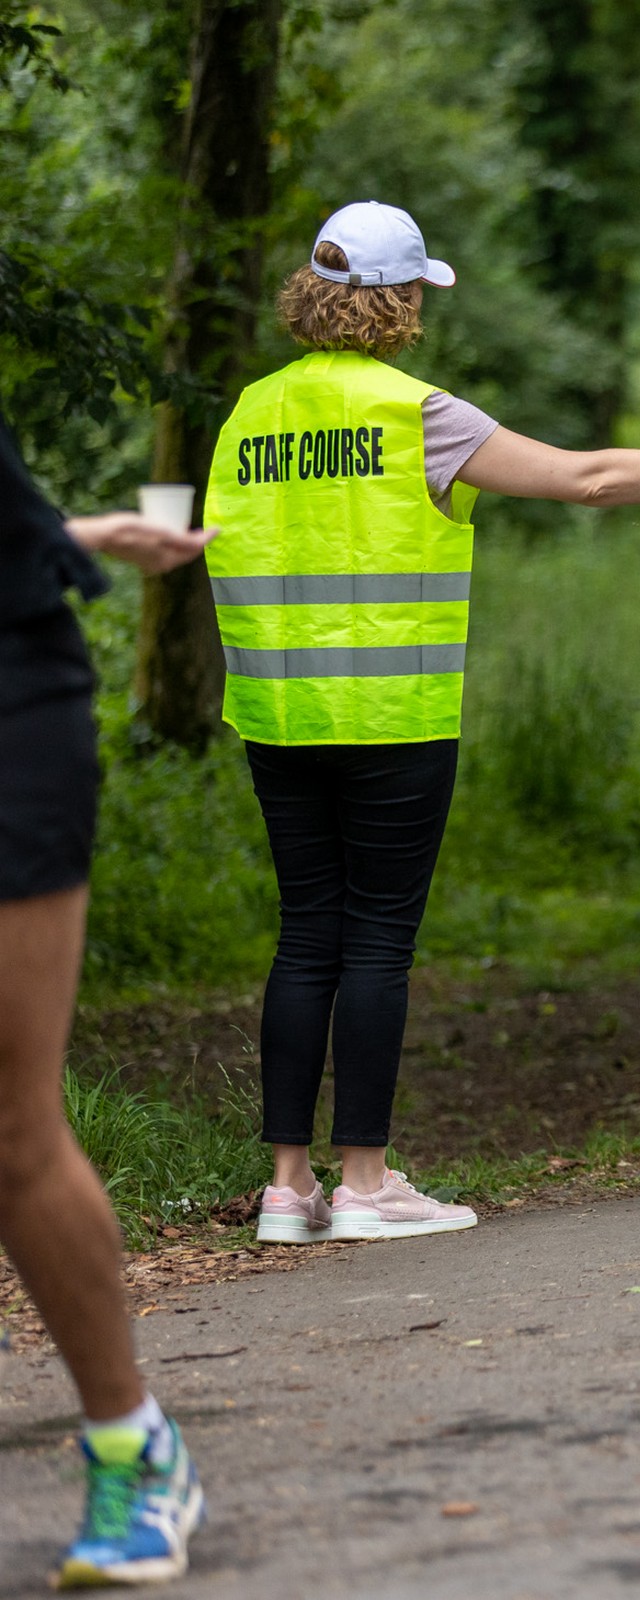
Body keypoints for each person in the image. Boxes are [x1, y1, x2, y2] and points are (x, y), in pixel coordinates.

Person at [209, 201, 640, 1250]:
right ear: (398, 299)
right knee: (377, 939)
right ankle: (366, 1183)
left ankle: (288, 1189)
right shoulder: (416, 414)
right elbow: (585, 478)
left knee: (306, 935)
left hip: (278, 714)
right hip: (392, 717)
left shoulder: (250, 414)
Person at [3, 411, 216, 1585]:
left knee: (11, 1125)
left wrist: (67, 539)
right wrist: (86, 532)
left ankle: (133, 1444)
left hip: (8, 699)